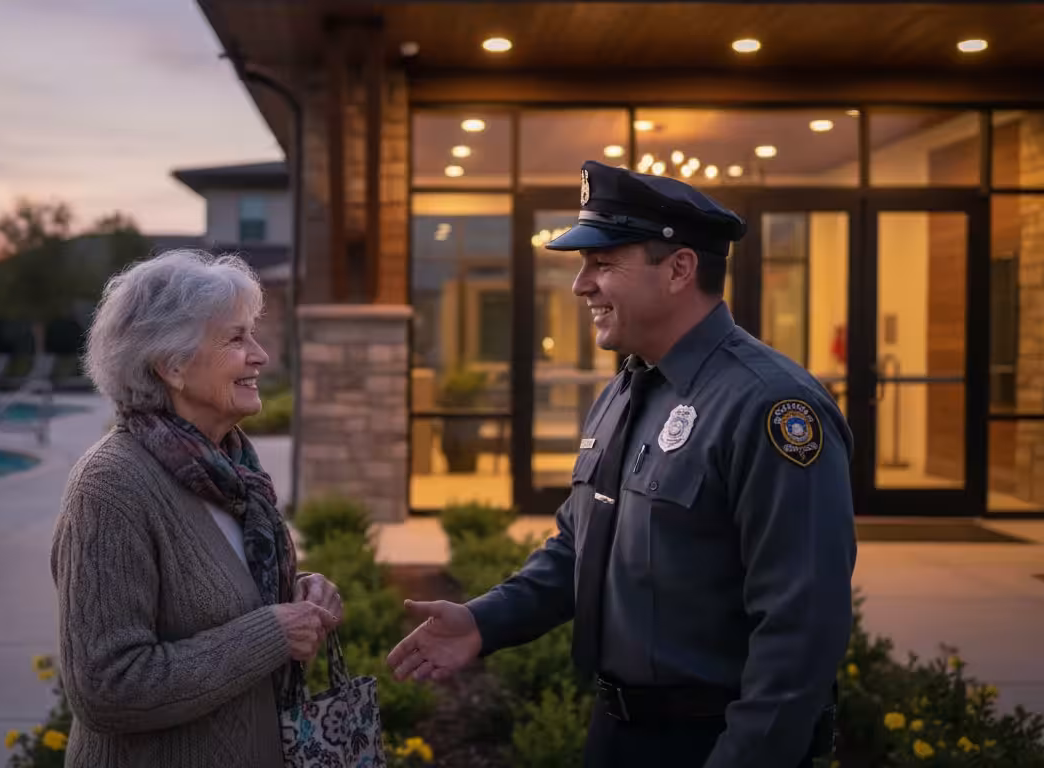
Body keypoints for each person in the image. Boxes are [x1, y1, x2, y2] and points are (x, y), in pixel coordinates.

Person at [387, 161, 857, 768]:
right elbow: (580, 546)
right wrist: (484, 622)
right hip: (616, 735)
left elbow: (802, 629)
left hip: (713, 743)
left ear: (680, 269)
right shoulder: (626, 390)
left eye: (604, 263)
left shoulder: (771, 407)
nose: (581, 285)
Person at [52, 249, 342, 768]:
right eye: (236, 338)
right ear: (172, 365)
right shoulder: (111, 486)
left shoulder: (231, 470)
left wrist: (300, 596)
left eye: (252, 334)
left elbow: (223, 598)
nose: (260, 355)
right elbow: (106, 687)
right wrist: (272, 633)